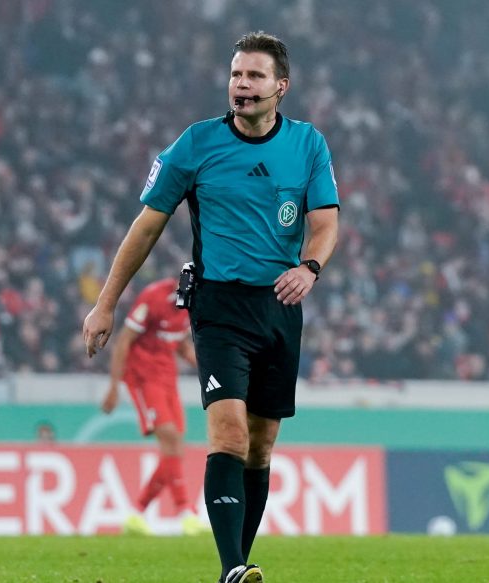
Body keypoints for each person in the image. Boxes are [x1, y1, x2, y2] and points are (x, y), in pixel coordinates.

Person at [83, 32, 339, 583]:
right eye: (235, 75)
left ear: (280, 88)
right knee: (228, 434)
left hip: (280, 304)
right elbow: (147, 225)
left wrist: (308, 268)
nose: (241, 85)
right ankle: (233, 567)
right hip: (219, 305)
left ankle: (238, 565)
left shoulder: (308, 144)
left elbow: (325, 224)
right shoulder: (196, 145)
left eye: (254, 77)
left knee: (262, 443)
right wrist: (106, 305)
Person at [99, 277, 208, 536]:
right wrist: (114, 385)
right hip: (143, 377)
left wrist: (208, 369)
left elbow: (179, 343)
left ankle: (136, 513)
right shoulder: (153, 297)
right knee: (169, 437)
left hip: (167, 376)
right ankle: (186, 511)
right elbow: (124, 340)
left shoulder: (192, 303)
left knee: (175, 445)